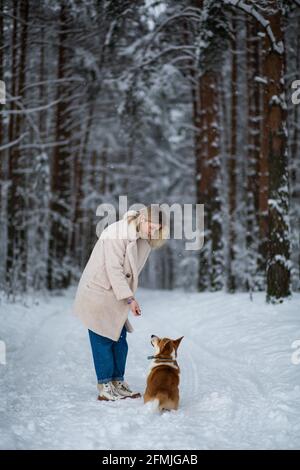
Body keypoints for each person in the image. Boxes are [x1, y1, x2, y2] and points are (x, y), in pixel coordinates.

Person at [72, 205, 169, 401]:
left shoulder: (143, 240)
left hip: (117, 294)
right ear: (142, 219)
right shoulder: (117, 232)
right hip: (99, 291)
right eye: (152, 226)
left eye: (157, 228)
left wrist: (128, 296)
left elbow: (131, 272)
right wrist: (130, 298)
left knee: (120, 340)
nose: (154, 231)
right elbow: (114, 269)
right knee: (103, 338)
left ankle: (117, 381)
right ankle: (105, 383)